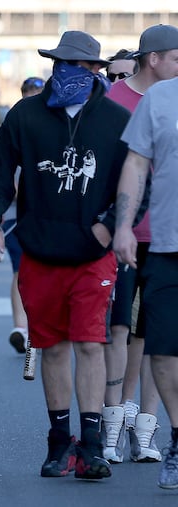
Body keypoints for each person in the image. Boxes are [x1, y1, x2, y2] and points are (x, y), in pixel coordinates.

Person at [0, 30, 131, 481]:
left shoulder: (115, 119)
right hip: (40, 249)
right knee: (54, 347)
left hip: (92, 252)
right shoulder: (25, 114)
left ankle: (93, 443)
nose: (69, 73)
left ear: (96, 72)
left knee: (89, 343)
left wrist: (110, 223)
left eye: (80, 67)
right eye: (61, 64)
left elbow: (136, 181)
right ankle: (60, 443)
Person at [104, 23, 178, 465]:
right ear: (155, 58)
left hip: (164, 238)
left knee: (153, 338)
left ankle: (146, 430)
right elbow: (123, 165)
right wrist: (118, 225)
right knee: (118, 331)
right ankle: (110, 426)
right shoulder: (118, 100)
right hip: (129, 235)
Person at [4, 77, 44, 355]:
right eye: (27, 93)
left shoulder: (55, 125)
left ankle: (38, 327)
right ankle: (22, 327)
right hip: (14, 217)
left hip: (45, 218)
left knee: (43, 273)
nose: (32, 97)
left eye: (37, 93)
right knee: (21, 270)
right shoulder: (12, 124)